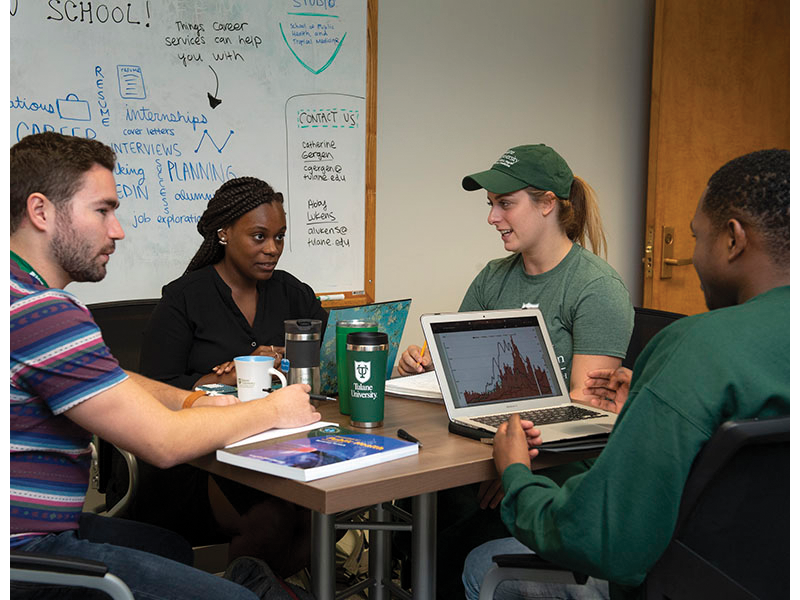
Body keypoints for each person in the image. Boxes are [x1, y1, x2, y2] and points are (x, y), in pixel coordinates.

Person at [462, 148, 790, 600]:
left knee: (479, 564)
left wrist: (516, 473)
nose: (692, 257)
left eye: (698, 237)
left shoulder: (695, 346)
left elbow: (601, 539)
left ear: (732, 239)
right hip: (760, 575)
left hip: (668, 578)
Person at [10, 131, 320, 599]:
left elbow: (117, 380)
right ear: (41, 212)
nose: (117, 229)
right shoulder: (43, 313)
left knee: (169, 548)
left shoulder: (18, 295)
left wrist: (194, 400)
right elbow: (162, 442)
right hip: (27, 553)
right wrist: (276, 411)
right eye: (103, 210)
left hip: (33, 532)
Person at [395, 144, 635, 598]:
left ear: (547, 204)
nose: (492, 217)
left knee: (448, 548)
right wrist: (423, 364)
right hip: (492, 458)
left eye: (505, 203)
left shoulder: (596, 289)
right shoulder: (494, 277)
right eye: (491, 204)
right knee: (415, 512)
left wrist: (516, 476)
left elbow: (583, 419)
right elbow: (460, 372)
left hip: (557, 478)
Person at [130, 176, 328, 576]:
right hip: (200, 458)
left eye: (279, 237)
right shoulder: (184, 298)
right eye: (259, 237)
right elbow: (154, 389)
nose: (272, 249)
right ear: (223, 233)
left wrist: (280, 355)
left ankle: (271, 590)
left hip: (280, 447)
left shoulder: (293, 293)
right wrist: (231, 374)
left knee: (319, 518)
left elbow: (324, 352)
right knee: (270, 521)